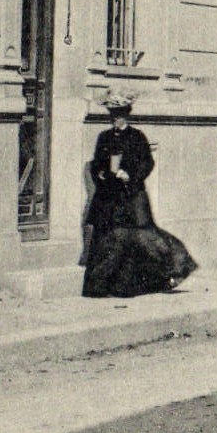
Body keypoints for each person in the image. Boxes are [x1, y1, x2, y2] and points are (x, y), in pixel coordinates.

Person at [82, 92, 198, 297]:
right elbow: (96, 165)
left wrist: (131, 175)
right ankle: (101, 287)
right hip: (110, 198)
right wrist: (102, 174)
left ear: (126, 115)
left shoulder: (137, 137)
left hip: (132, 197)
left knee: (141, 237)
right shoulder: (104, 137)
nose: (115, 119)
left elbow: (148, 163)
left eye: (119, 115)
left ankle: (170, 271)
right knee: (108, 240)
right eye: (112, 115)